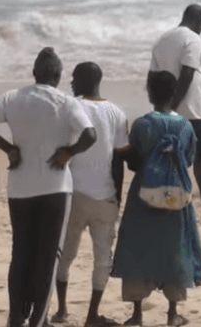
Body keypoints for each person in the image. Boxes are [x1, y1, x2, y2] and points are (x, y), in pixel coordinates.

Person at [0, 47, 96, 327]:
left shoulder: (13, 97)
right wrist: (69, 152)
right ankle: (38, 319)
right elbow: (90, 135)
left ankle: (16, 316)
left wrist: (8, 148)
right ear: (58, 75)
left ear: (34, 73)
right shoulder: (66, 103)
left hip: (20, 187)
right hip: (54, 187)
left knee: (22, 253)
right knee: (48, 255)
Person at [111, 71, 201, 327]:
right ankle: (173, 312)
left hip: (144, 192)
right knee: (174, 249)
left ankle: (137, 314)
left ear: (150, 92)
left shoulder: (143, 125)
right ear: (174, 93)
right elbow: (188, 158)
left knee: (138, 248)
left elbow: (134, 159)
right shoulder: (186, 126)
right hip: (176, 196)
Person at [50, 62, 128, 327]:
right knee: (102, 258)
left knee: (66, 254)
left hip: (74, 193)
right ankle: (92, 315)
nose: (71, 83)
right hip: (105, 194)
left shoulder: (71, 107)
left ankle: (61, 310)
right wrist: (117, 195)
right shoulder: (117, 113)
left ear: (84, 80)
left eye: (74, 78)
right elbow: (118, 161)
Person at [149, 4, 201, 220]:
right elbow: (187, 73)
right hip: (193, 109)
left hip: (167, 108)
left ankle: (169, 205)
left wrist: (160, 107)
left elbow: (152, 77)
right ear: (200, 22)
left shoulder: (162, 39)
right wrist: (174, 107)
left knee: (170, 158)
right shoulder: (193, 38)